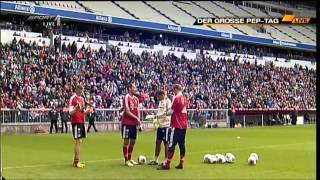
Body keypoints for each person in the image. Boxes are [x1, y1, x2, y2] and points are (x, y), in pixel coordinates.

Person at [158, 84, 189, 170]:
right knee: (182, 144)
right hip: (184, 125)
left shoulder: (176, 98)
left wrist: (165, 113)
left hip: (177, 124)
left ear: (176, 89)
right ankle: (181, 162)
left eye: (173, 90)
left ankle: (167, 164)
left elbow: (171, 111)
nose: (173, 92)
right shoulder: (184, 98)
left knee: (172, 144)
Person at [148, 89, 172, 165]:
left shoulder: (168, 101)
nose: (158, 98)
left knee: (166, 143)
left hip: (166, 125)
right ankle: (156, 160)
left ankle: (166, 160)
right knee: (158, 142)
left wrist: (157, 116)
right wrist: (155, 120)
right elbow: (159, 113)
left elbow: (169, 112)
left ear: (162, 95)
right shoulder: (160, 102)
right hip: (160, 125)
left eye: (159, 96)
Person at [69, 84, 90, 168]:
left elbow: (83, 112)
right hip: (76, 121)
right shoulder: (73, 98)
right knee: (78, 141)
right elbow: (70, 112)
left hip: (81, 121)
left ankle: (76, 161)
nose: (82, 92)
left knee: (80, 141)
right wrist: (75, 109)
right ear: (77, 89)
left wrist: (87, 111)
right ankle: (76, 161)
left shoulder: (82, 99)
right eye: (81, 90)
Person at [121, 83, 140, 167]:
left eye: (135, 87)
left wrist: (138, 120)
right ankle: (126, 160)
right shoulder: (126, 97)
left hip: (134, 124)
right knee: (126, 141)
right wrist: (136, 118)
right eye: (133, 87)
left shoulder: (136, 99)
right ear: (129, 88)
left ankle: (130, 158)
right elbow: (127, 112)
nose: (135, 89)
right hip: (127, 123)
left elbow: (138, 110)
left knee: (133, 141)